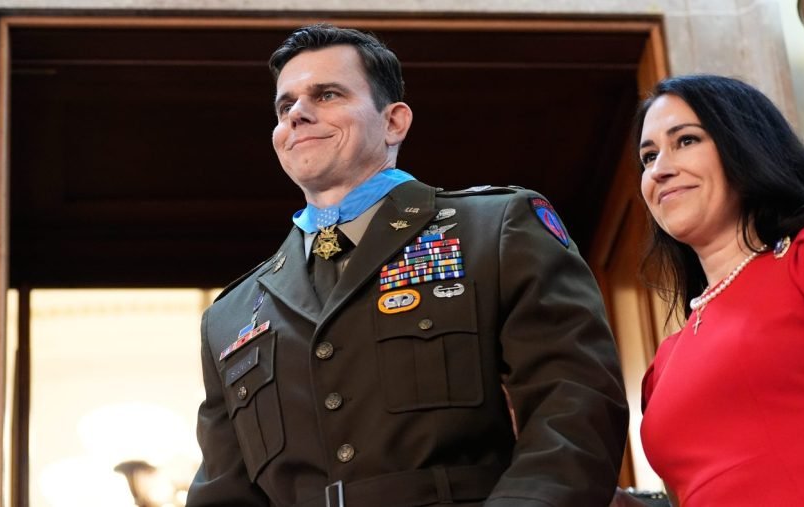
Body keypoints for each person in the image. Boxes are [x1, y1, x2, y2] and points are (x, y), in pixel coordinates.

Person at [186, 24, 628, 507]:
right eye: (284, 105)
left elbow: (574, 413)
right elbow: (223, 494)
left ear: (394, 122)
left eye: (327, 94)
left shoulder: (496, 229)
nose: (298, 114)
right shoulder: (230, 315)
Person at [635, 74, 804, 506]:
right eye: (648, 157)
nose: (659, 169)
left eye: (686, 140)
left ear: (745, 145)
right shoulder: (662, 365)